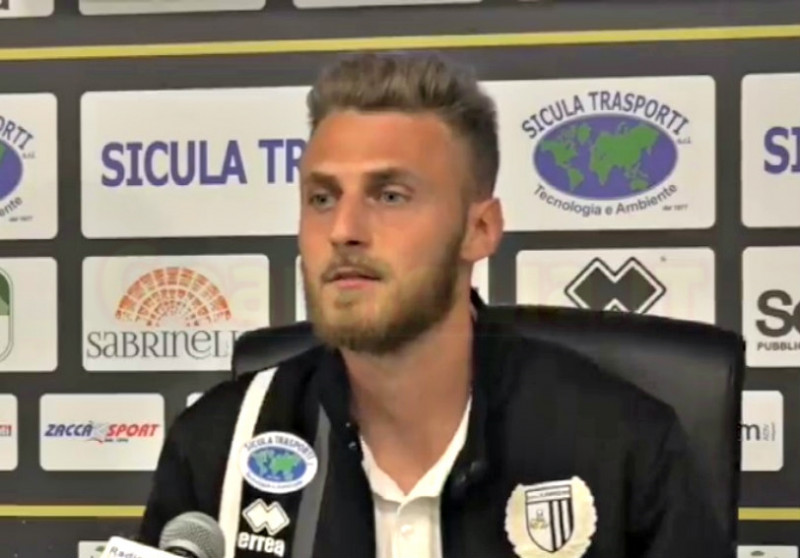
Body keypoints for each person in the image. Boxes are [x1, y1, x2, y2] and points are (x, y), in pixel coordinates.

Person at [138, 51, 731, 558]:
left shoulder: (622, 446)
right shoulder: (219, 447)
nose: (343, 230)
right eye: (321, 198)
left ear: (480, 229)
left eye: (390, 196)